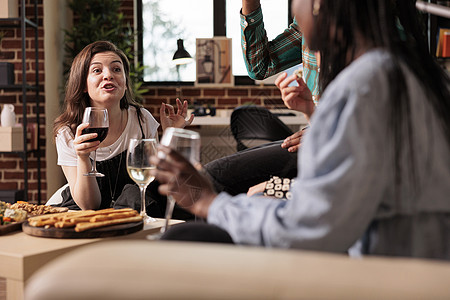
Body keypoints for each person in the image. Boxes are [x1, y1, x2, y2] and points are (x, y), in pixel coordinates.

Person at [152, 0, 450, 259]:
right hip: (412, 261)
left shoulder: (363, 85)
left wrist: (209, 203)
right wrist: (312, 111)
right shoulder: (411, 72)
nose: (296, 11)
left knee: (195, 225)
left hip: (388, 275)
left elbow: (316, 227)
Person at [53, 41, 194, 214]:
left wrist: (172, 136)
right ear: (82, 84)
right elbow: (89, 206)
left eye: (116, 69)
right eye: (97, 70)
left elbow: (161, 179)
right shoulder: (68, 132)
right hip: (87, 214)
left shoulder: (141, 119)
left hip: (136, 209)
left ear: (125, 83)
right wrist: (83, 158)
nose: (108, 75)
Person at [204, 0, 319, 196]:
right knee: (205, 177)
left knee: (211, 180)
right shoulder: (311, 18)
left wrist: (327, 131)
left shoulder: (376, 28)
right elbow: (260, 66)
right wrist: (311, 111)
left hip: (343, 146)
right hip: (321, 136)